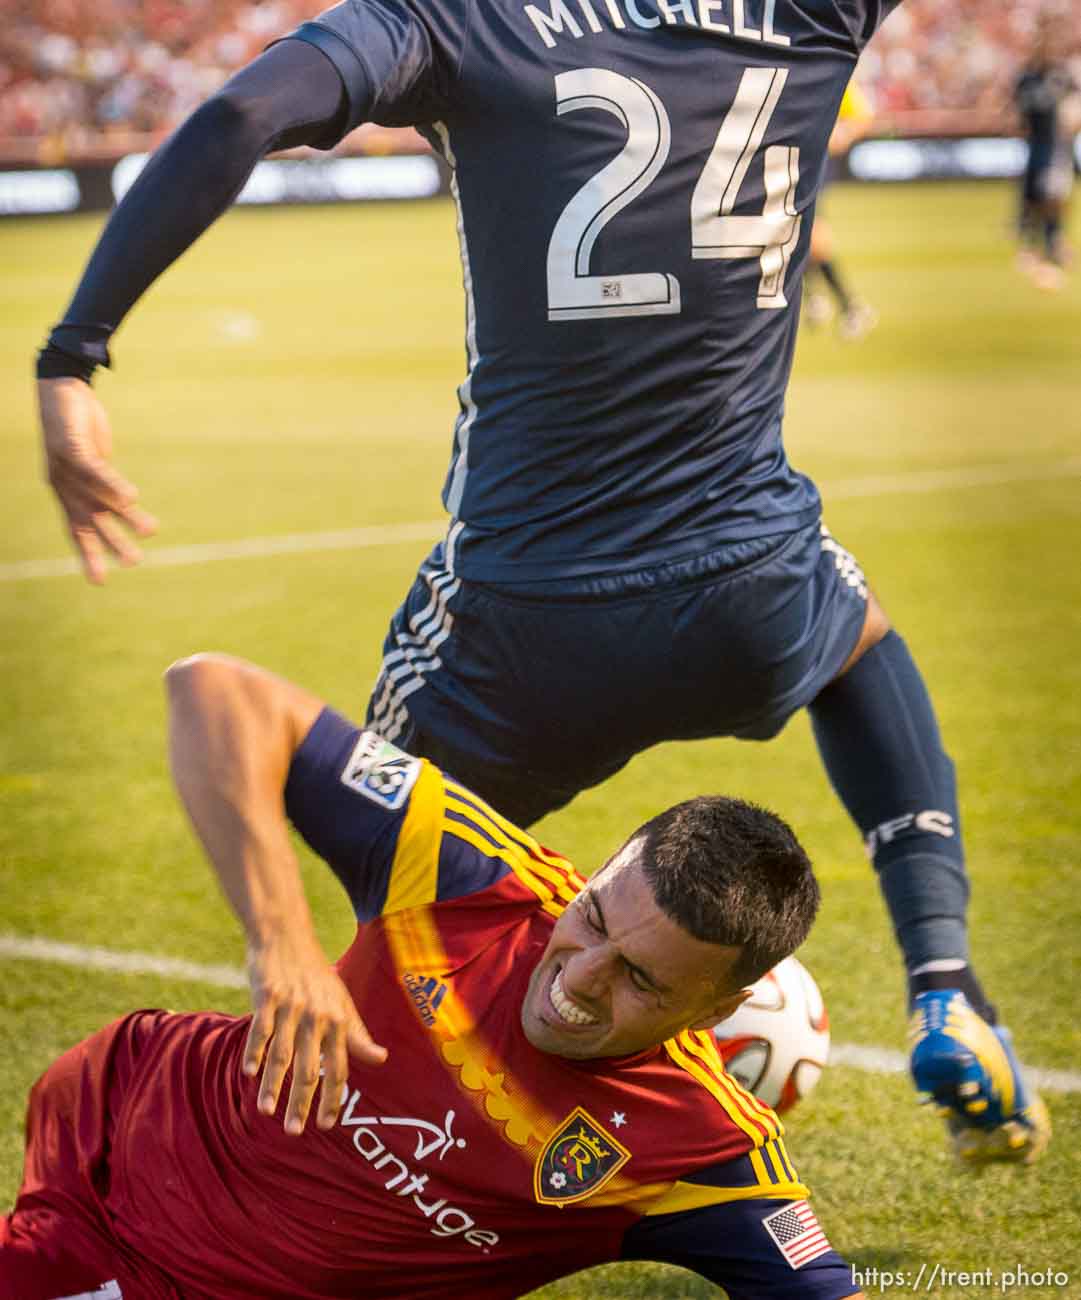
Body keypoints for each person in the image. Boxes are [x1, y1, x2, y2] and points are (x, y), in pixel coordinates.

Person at [35, 0, 1049, 1163]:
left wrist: (74, 353)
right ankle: (944, 983)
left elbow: (237, 112)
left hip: (522, 622)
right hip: (750, 584)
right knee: (856, 638)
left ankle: (400, 1155)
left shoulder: (457, 22)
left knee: (399, 936)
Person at [1, 653, 867, 1300]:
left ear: (719, 1009)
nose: (579, 978)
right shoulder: (469, 872)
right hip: (124, 1132)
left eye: (639, 979)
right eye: (593, 917)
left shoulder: (700, 1152)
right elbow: (212, 690)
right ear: (601, 870)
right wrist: (284, 943)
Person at [802, 80, 878, 339]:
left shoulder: (828, 71)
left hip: (810, 165)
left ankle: (851, 306)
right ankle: (815, 298)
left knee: (812, 235)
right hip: (791, 162)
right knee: (795, 231)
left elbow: (863, 114)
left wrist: (842, 134)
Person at [1013, 20, 1079, 290]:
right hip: (1035, 144)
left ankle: (1054, 242)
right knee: (1035, 196)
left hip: (1058, 146)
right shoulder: (1026, 77)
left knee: (1056, 196)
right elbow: (1018, 110)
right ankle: (1034, 245)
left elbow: (1074, 109)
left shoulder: (1063, 75)